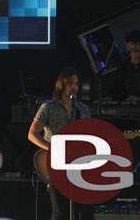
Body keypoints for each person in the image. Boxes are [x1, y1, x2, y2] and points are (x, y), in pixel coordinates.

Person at [27, 67, 93, 220]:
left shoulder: (82, 109)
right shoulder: (48, 107)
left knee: (85, 210)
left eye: (76, 83)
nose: (74, 87)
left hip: (78, 164)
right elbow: (32, 134)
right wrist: (52, 148)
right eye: (70, 83)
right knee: (60, 211)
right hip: (56, 164)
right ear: (62, 84)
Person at [114, 30, 140, 100]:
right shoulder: (122, 66)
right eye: (131, 44)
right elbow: (117, 88)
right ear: (127, 45)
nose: (134, 47)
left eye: (137, 44)